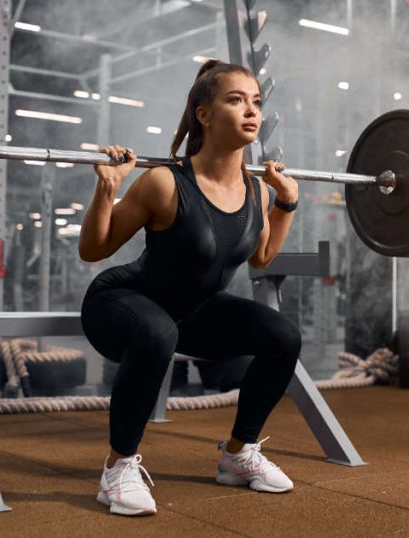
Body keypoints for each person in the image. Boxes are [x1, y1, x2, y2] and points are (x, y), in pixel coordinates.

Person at [77, 59, 301, 517]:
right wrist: (107, 189)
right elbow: (94, 249)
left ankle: (238, 454)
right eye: (236, 100)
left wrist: (287, 202)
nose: (251, 111)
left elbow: (261, 257)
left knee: (283, 335)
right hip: (120, 304)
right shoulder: (164, 182)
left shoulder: (255, 191)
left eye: (256, 102)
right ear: (204, 113)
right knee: (158, 332)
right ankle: (118, 468)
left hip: (190, 314)